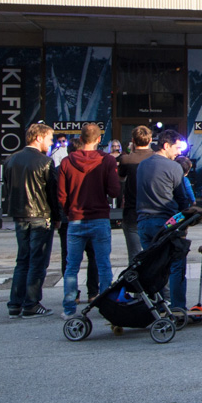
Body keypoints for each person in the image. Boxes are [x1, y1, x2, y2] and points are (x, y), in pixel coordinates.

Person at [58, 123, 120, 318]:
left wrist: (70, 212)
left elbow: (61, 195)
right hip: (100, 217)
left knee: (72, 266)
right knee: (103, 264)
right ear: (99, 139)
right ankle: (107, 306)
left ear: (81, 138)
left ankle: (69, 308)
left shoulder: (67, 162)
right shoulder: (107, 160)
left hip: (75, 218)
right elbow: (115, 191)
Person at [5, 123, 59, 318]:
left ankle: (15, 303)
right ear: (39, 138)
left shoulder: (11, 161)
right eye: (49, 138)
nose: (51, 142)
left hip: (20, 215)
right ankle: (31, 303)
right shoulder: (45, 162)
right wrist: (57, 217)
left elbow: (9, 189)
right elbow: (52, 193)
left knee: (22, 260)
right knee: (37, 261)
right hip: (40, 215)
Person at [136, 129, 193, 310]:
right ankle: (177, 308)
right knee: (176, 265)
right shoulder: (174, 167)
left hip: (143, 221)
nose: (179, 153)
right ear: (166, 145)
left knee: (153, 266)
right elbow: (182, 198)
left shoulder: (143, 165)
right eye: (177, 148)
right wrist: (187, 221)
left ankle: (159, 306)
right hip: (166, 222)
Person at [116, 126, 153, 263]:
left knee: (134, 255)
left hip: (132, 210)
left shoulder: (127, 159)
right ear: (150, 140)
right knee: (154, 253)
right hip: (154, 210)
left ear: (133, 141)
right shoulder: (156, 158)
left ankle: (135, 282)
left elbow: (120, 178)